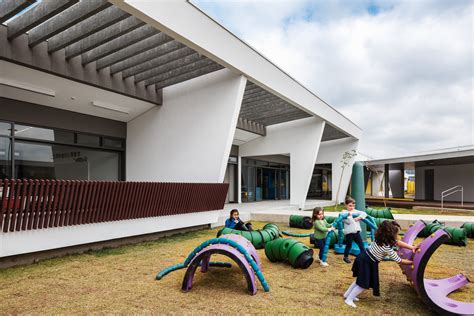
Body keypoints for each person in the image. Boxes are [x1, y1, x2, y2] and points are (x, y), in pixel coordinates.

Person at [343, 220, 418, 308]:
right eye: (396, 234)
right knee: (363, 283)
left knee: (360, 280)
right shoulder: (387, 247)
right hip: (367, 262)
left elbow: (398, 243)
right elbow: (399, 260)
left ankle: (347, 294)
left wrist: (412, 247)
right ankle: (349, 299)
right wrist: (413, 262)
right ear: (390, 235)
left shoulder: (380, 238)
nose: (397, 236)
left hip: (363, 257)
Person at [341, 196, 367, 264]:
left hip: (357, 232)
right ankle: (345, 257)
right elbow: (348, 222)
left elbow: (364, 213)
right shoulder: (343, 212)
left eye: (353, 206)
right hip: (349, 233)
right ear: (346, 205)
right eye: (350, 206)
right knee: (349, 245)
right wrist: (350, 216)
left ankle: (364, 257)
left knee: (361, 245)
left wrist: (358, 218)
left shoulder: (355, 211)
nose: (352, 207)